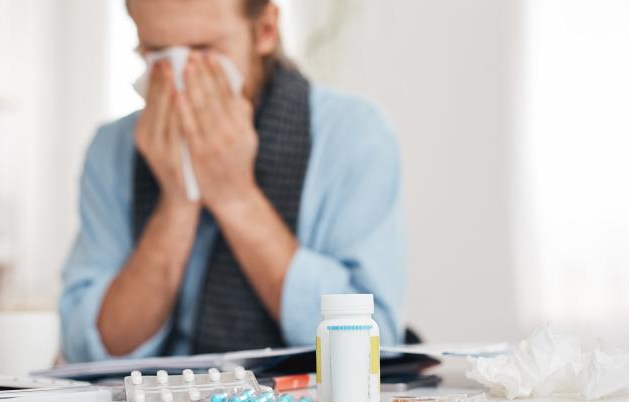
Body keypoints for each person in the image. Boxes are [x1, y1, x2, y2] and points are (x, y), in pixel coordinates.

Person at [59, 0, 406, 362]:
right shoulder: (112, 149)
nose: (180, 76)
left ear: (265, 30)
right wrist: (178, 200)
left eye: (203, 50)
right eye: (158, 53)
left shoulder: (354, 136)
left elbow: (371, 344)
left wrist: (236, 198)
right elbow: (89, 350)